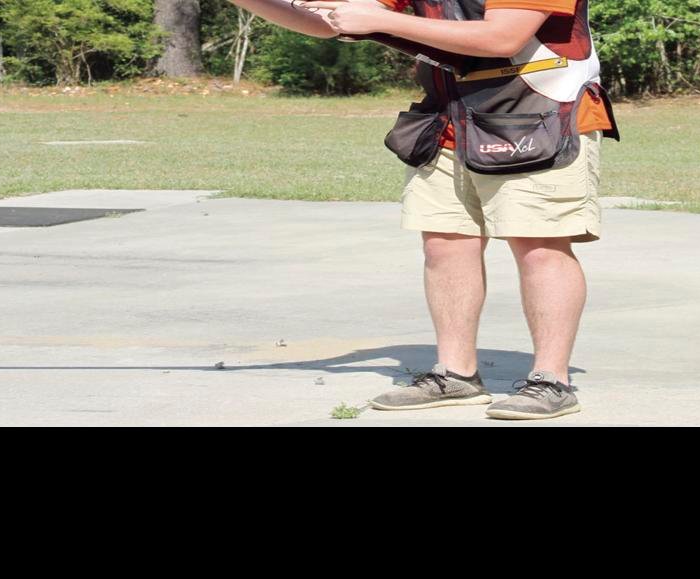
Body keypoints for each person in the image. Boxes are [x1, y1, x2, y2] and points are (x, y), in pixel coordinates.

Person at [232, 0, 619, 420]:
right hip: (449, 120)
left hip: (541, 115)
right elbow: (328, 23)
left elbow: (503, 36)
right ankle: (456, 376)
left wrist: (379, 19)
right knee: (444, 244)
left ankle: (551, 381)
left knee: (540, 246)